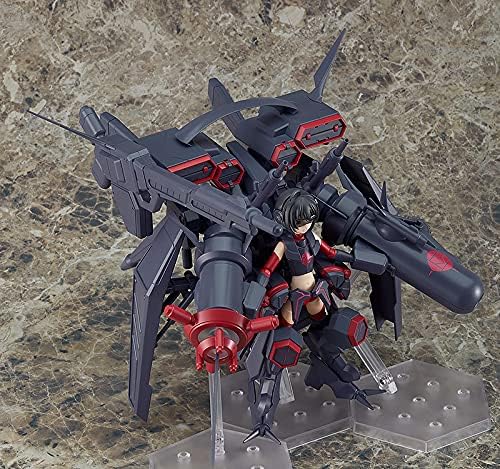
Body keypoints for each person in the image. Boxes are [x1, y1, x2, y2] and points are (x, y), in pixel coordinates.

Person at [257, 188, 352, 327]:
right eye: (300, 222)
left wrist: (352, 259)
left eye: (309, 220)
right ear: (281, 218)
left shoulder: (311, 237)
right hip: (296, 292)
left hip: (314, 288)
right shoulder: (284, 244)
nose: (306, 226)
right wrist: (259, 288)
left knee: (321, 317)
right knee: (287, 323)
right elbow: (268, 269)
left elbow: (331, 252)